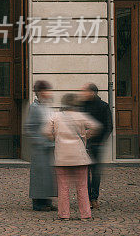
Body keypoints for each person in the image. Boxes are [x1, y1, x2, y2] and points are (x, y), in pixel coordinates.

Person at [45, 93, 101, 221]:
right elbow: (96, 127)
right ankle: (85, 214)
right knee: (82, 187)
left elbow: (46, 131)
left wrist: (55, 138)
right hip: (79, 156)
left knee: (63, 188)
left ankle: (64, 214)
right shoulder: (81, 115)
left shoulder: (55, 116)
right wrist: (86, 135)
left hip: (62, 157)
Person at [79, 83, 113, 210]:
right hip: (84, 144)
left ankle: (94, 198)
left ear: (93, 92)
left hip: (97, 144)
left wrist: (102, 141)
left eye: (85, 91)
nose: (83, 94)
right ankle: (87, 198)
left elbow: (109, 126)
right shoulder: (82, 106)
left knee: (95, 173)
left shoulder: (103, 106)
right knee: (85, 172)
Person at [24, 80, 56, 211]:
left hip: (48, 145)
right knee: (39, 176)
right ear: (41, 92)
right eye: (47, 91)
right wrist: (40, 140)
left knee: (48, 175)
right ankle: (38, 203)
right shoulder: (34, 107)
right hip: (40, 147)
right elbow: (29, 127)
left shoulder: (45, 106)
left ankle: (47, 201)